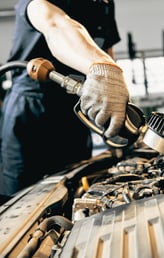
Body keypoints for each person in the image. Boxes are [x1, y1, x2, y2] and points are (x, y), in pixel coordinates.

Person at [0, 0, 129, 197]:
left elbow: (107, 51)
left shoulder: (106, 3)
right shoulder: (40, 4)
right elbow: (56, 25)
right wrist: (103, 69)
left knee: (75, 188)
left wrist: (117, 95)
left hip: (74, 110)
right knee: (21, 199)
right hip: (31, 110)